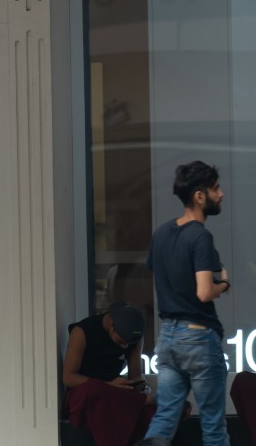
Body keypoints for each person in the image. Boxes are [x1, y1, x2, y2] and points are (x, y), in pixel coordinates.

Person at [143, 161, 230, 446]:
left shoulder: (161, 234)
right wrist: (224, 283)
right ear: (199, 196)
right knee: (213, 426)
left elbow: (162, 275)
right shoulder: (200, 236)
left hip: (168, 337)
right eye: (216, 188)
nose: (221, 194)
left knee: (164, 418)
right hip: (198, 337)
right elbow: (204, 292)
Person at [62, 301, 155, 446]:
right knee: (96, 390)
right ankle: (146, 400)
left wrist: (142, 387)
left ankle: (144, 400)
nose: (125, 346)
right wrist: (108, 385)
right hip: (86, 392)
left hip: (117, 393)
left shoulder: (134, 339)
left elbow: (136, 376)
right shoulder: (82, 331)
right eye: (121, 341)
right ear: (111, 326)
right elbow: (68, 378)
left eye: (128, 344)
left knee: (151, 412)